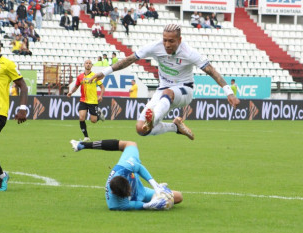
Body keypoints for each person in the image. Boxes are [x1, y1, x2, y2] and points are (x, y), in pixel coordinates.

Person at [89, 24, 240, 140]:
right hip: (163, 90)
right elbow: (130, 59)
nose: (167, 44)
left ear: (180, 40)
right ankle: (175, 127)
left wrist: (229, 92)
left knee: (168, 94)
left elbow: (211, 70)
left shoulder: (189, 52)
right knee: (141, 129)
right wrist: (104, 72)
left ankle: (154, 116)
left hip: (184, 90)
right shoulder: (155, 47)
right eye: (165, 40)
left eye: (171, 41)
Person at [69, 138, 183, 210]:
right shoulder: (115, 204)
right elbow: (134, 205)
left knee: (130, 144)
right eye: (127, 192)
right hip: (138, 197)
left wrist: (155, 185)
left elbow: (138, 168)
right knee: (173, 199)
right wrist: (150, 205)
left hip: (139, 186)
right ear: (115, 193)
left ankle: (83, 145)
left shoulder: (124, 168)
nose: (130, 191)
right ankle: (155, 198)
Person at [0, 37, 28, 191]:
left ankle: (1, 175)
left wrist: (23, 108)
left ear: (1, 48)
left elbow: (23, 86)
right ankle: (1, 175)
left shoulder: (7, 64)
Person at [67, 59, 105, 142]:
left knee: (93, 121)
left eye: (89, 63)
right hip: (83, 100)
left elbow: (102, 87)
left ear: (91, 66)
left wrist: (101, 96)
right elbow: (76, 86)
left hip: (93, 101)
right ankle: (86, 137)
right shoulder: (80, 77)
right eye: (86, 63)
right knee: (81, 117)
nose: (88, 64)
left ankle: (99, 115)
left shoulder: (95, 76)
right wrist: (71, 92)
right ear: (84, 65)